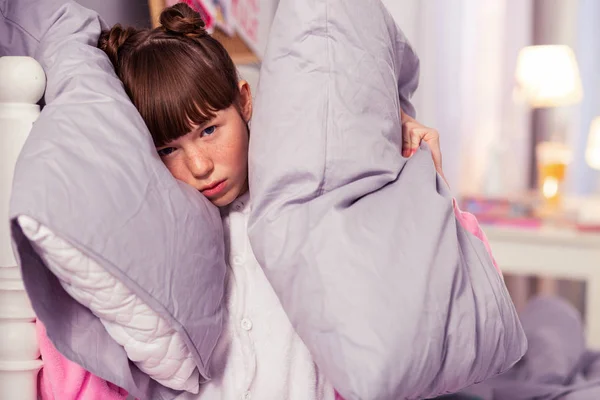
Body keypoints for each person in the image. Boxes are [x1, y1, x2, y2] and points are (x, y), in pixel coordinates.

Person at [57, 3, 497, 399]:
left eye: (209, 130)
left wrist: (429, 187)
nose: (198, 164)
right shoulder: (161, 233)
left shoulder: (314, 198)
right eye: (168, 149)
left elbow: (438, 298)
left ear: (244, 101)